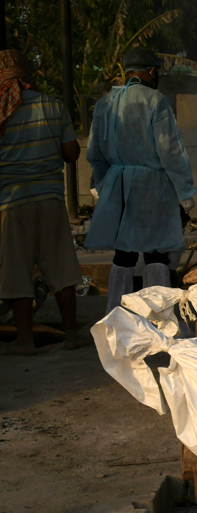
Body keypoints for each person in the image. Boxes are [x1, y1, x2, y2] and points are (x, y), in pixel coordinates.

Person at [86, 47, 197, 314]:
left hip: (117, 183)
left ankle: (117, 314)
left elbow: (94, 152)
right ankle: (159, 317)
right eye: (156, 70)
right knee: (156, 251)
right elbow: (170, 151)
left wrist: (100, 183)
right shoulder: (156, 101)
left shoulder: (105, 103)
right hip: (151, 185)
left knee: (123, 253)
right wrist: (185, 190)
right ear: (150, 71)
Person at [0, 49, 87, 354]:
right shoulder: (54, 106)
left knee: (17, 272)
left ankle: (25, 341)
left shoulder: (1, 110)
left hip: (12, 203)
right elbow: (72, 153)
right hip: (51, 200)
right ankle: (72, 335)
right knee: (61, 268)